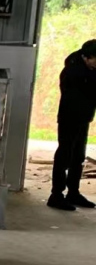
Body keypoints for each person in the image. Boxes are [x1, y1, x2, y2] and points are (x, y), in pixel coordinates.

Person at [48, 39, 96, 210]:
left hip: (83, 118)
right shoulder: (73, 72)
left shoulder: (89, 70)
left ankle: (73, 192)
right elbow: (83, 94)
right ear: (87, 57)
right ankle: (56, 195)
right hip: (70, 118)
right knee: (64, 156)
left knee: (78, 157)